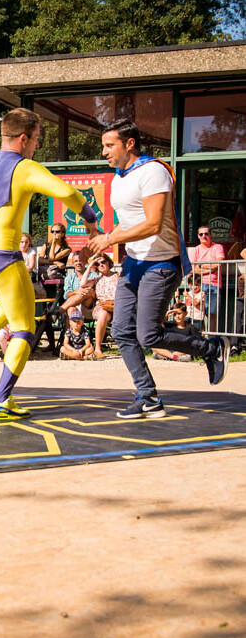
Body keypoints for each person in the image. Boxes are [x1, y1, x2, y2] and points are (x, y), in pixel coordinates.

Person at [0, 107, 98, 420]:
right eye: (36, 140)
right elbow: (67, 192)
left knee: (17, 304)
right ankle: (0, 400)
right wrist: (90, 219)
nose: (36, 146)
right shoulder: (25, 167)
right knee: (25, 328)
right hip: (3, 258)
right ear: (23, 138)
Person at [87, 118, 229, 419]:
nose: (104, 152)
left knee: (148, 335)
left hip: (162, 262)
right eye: (103, 146)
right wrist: (104, 236)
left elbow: (152, 224)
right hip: (134, 263)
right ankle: (148, 397)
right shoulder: (119, 177)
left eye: (109, 145)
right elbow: (128, 222)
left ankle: (212, 349)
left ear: (129, 144)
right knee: (122, 331)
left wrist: (110, 239)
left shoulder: (153, 171)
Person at [188, 225, 225, 332]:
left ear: (210, 235)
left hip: (214, 285)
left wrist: (199, 266)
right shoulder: (195, 250)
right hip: (197, 286)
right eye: (201, 234)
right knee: (198, 315)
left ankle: (211, 339)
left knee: (212, 314)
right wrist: (209, 268)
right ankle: (200, 338)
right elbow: (191, 269)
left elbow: (217, 264)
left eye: (206, 233)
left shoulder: (217, 247)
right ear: (198, 236)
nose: (204, 236)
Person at [86, 254, 118, 359]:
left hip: (117, 305)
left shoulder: (118, 276)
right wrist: (90, 266)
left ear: (109, 262)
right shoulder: (96, 279)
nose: (101, 265)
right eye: (97, 264)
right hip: (102, 306)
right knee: (103, 314)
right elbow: (83, 284)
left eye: (103, 262)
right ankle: (98, 349)